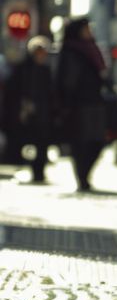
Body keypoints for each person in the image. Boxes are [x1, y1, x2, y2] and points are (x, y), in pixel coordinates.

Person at [55, 18, 111, 192]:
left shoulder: (92, 49)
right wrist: (67, 104)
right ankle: (82, 178)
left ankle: (84, 176)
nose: (89, 31)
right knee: (80, 142)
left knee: (97, 141)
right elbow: (67, 80)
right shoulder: (72, 51)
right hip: (78, 105)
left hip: (94, 102)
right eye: (86, 28)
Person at [8, 37, 57, 183]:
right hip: (27, 114)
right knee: (28, 142)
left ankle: (39, 172)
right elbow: (15, 91)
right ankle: (31, 168)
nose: (42, 56)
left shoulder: (45, 70)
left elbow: (50, 92)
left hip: (44, 114)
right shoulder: (23, 70)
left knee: (42, 144)